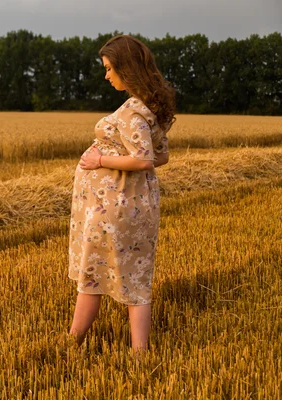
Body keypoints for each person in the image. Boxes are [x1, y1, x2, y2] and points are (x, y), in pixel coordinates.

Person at [68, 35, 176, 352]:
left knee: (92, 274)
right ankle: (140, 352)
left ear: (126, 68)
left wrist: (100, 159)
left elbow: (143, 159)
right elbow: (161, 156)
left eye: (109, 68)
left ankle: (72, 340)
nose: (107, 75)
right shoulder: (150, 109)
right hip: (136, 204)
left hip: (114, 210)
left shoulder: (131, 111)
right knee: (137, 277)